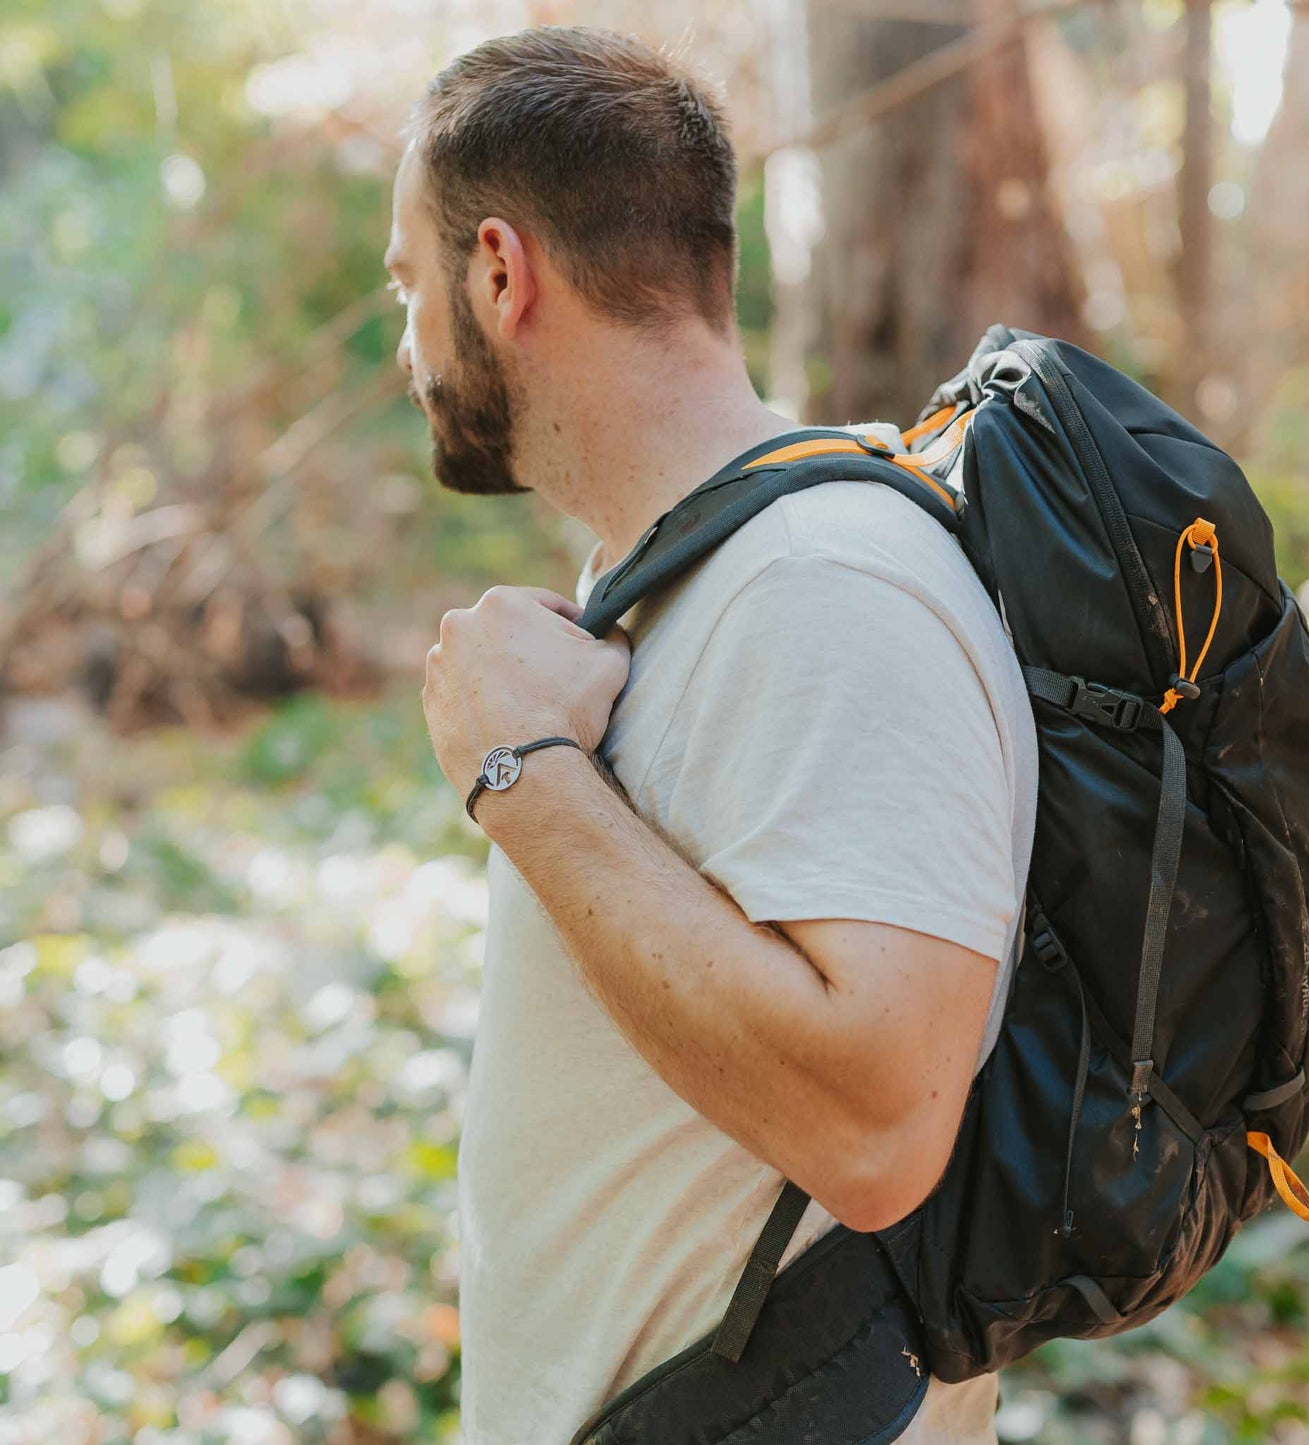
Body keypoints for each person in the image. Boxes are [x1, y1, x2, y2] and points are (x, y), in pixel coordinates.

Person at [391, 25, 1038, 1445]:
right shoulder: (699, 575)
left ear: (499, 273)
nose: (406, 345)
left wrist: (521, 773)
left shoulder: (823, 581)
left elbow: (879, 1128)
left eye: (408, 287)